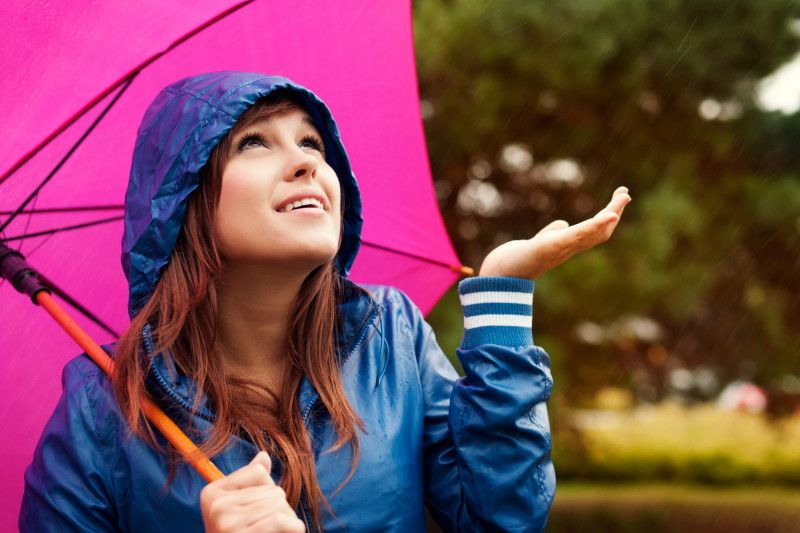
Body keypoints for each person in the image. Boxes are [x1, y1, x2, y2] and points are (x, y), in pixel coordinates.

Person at [19, 71, 629, 532]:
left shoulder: (392, 338)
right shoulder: (104, 405)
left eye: (312, 141)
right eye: (254, 143)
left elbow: (503, 519)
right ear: (184, 198)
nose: (306, 162)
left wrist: (500, 297)